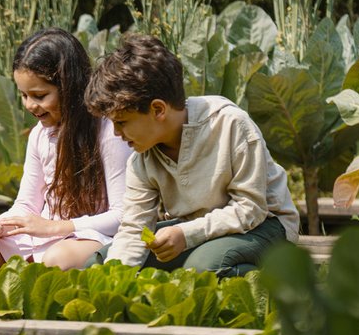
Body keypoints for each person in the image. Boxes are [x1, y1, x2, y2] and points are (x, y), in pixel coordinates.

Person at [88, 34, 299, 276]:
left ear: (158, 109)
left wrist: (187, 234)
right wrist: (116, 279)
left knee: (202, 268)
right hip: (197, 230)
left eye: (122, 122)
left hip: (265, 225)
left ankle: (271, 279)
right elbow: (135, 229)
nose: (116, 133)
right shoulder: (140, 158)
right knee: (99, 262)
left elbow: (251, 208)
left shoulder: (230, 124)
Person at [0, 29, 132, 270]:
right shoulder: (40, 135)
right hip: (43, 236)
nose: (30, 105)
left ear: (70, 87)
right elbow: (27, 204)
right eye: (23, 95)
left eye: (39, 95)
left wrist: (57, 227)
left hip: (90, 237)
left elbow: (123, 215)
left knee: (57, 259)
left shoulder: (108, 131)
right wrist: (1, 224)